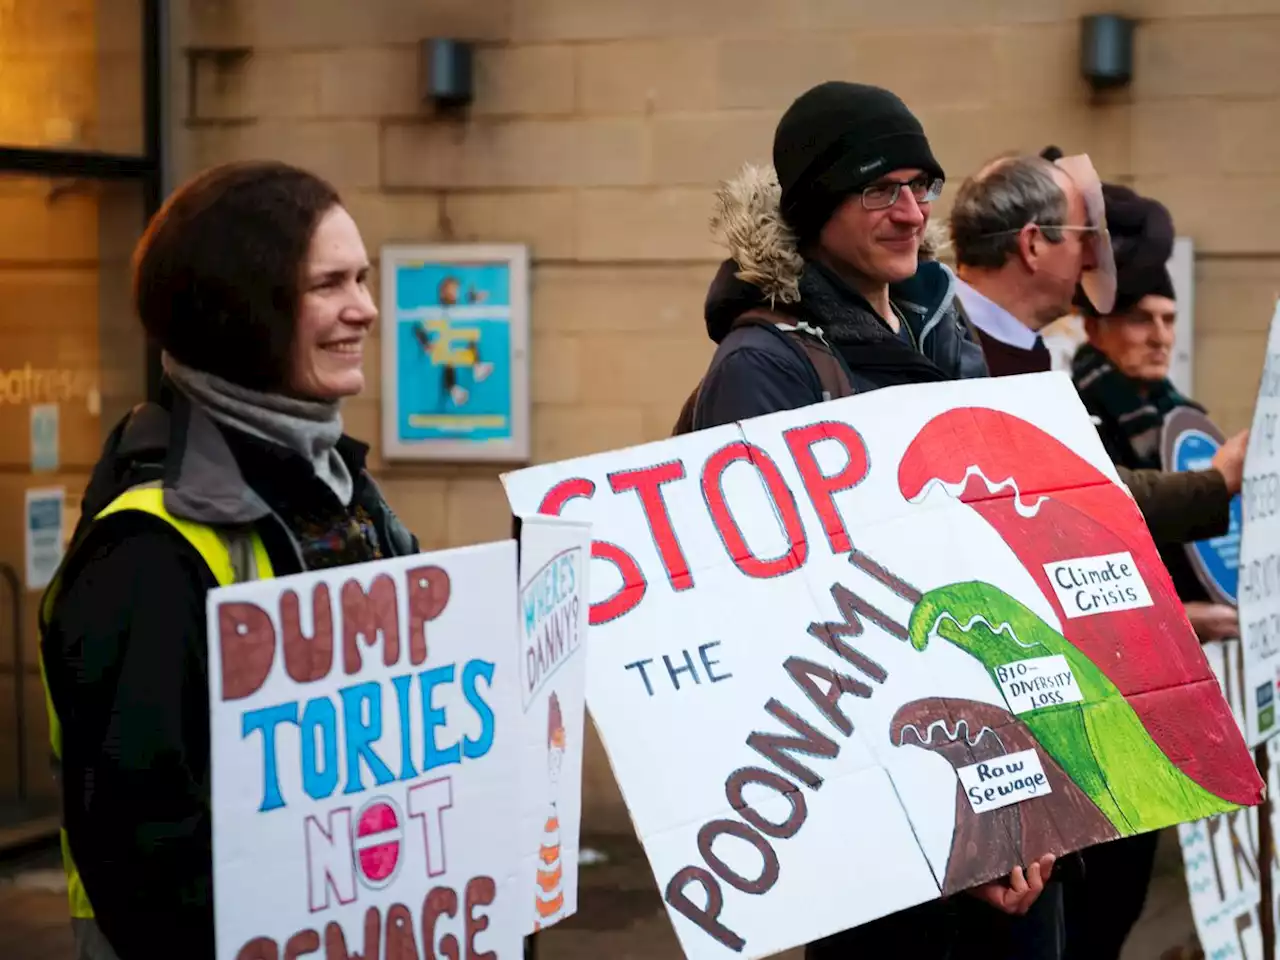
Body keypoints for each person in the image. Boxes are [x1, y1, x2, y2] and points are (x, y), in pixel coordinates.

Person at [684, 80, 1058, 960]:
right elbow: (794, 632)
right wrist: (956, 821)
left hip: (1013, 790)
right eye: (877, 189)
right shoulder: (763, 368)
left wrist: (1036, 796)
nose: (909, 211)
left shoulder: (948, 335)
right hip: (886, 825)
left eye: (920, 186)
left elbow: (1002, 556)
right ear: (817, 206)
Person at [38, 160, 420, 960]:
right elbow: (148, 861)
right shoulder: (145, 552)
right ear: (243, 308)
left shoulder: (347, 495)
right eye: (330, 285)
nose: (368, 309)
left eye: (364, 277)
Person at [947, 151, 1247, 552]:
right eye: (1082, 238)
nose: (1091, 259)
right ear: (1033, 244)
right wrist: (1217, 479)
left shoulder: (1012, 346)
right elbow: (1069, 495)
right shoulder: (939, 346)